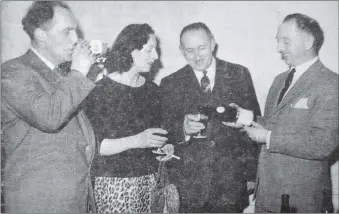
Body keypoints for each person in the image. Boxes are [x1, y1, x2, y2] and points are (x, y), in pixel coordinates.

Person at [225, 13, 338, 213]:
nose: (278, 49)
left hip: (301, 200)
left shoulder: (330, 83)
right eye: (278, 41)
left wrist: (267, 137)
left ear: (308, 41)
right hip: (267, 195)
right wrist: (248, 119)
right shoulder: (280, 79)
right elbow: (274, 123)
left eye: (286, 41)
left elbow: (324, 143)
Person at [1, 1, 97, 213]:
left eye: (76, 31)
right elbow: (50, 116)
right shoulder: (13, 72)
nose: (76, 39)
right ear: (41, 35)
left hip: (71, 198)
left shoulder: (61, 75)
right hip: (40, 201)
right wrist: (80, 72)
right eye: (67, 32)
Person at [159, 22, 262, 213]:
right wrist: (183, 130)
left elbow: (254, 121)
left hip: (230, 185)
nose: (197, 56)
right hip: (188, 189)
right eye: (189, 50)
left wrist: (251, 175)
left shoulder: (239, 74)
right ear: (181, 50)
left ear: (213, 44)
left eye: (202, 48)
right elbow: (164, 132)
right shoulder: (170, 83)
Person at [82, 23, 174, 213]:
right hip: (114, 185)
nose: (156, 56)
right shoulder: (99, 92)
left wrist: (167, 147)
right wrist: (138, 140)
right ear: (130, 50)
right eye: (149, 50)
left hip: (150, 181)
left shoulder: (153, 91)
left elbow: (160, 136)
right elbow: (96, 147)